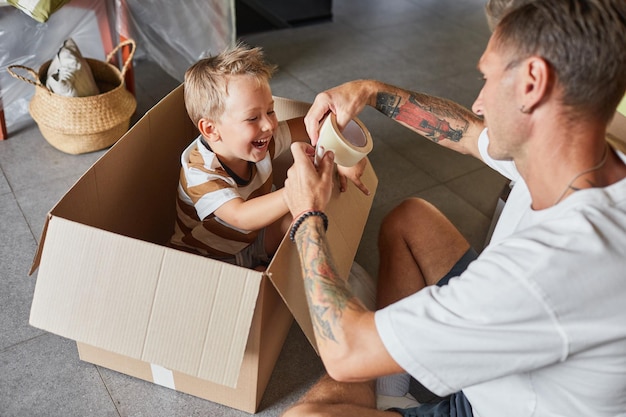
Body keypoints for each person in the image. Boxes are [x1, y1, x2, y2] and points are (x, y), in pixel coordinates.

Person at [280, 0, 626, 416]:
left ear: (533, 81)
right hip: (510, 351)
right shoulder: (576, 154)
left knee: (308, 412)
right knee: (411, 219)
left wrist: (307, 215)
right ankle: (394, 395)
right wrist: (371, 92)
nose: (479, 102)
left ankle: (394, 391)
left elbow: (345, 353)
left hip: (490, 406)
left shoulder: (545, 269)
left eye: (488, 78)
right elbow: (466, 132)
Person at [169, 43, 368, 269]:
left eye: (270, 111)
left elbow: (317, 125)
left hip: (256, 237)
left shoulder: (262, 140)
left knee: (305, 215)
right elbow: (239, 216)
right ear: (211, 130)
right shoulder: (198, 170)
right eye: (252, 118)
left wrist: (346, 156)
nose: (269, 124)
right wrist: (297, 191)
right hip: (208, 258)